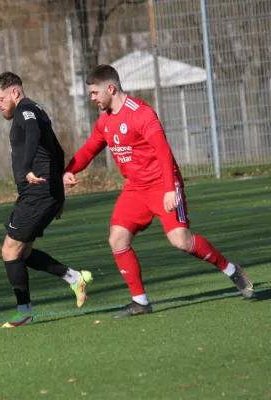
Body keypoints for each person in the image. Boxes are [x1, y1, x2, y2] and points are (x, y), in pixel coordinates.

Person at [63, 64, 254, 318]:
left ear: (110, 88)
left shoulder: (141, 113)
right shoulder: (105, 122)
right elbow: (88, 150)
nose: (93, 98)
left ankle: (232, 270)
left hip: (163, 183)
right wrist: (69, 170)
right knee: (117, 239)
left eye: (95, 93)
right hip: (135, 189)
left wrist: (168, 189)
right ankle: (140, 301)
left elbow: (163, 151)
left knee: (181, 241)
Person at [0, 71, 93, 328]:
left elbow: (33, 134)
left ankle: (24, 310)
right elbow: (58, 151)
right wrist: (60, 193)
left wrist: (27, 169)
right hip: (42, 193)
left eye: (0, 98)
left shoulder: (25, 112)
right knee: (23, 253)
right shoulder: (36, 110)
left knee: (10, 251)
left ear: (15, 92)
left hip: (38, 192)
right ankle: (74, 278)